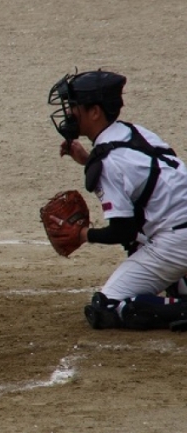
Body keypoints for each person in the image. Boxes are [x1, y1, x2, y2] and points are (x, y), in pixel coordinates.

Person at [48, 69, 187, 330]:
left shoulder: (108, 162)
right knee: (137, 243)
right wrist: (88, 160)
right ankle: (181, 282)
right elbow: (136, 174)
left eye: (74, 106)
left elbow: (123, 230)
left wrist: (83, 235)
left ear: (95, 112)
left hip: (177, 241)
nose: (69, 113)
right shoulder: (132, 132)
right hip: (179, 227)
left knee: (106, 307)